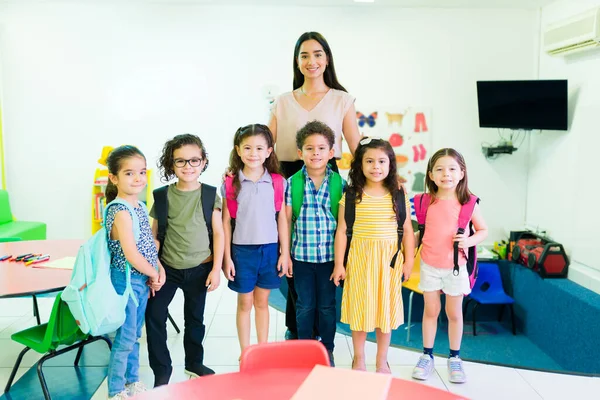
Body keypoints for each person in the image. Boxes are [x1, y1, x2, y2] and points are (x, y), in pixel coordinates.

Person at [269, 31, 361, 340]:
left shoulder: (341, 99)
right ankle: (297, 330)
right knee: (293, 254)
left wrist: (388, 177)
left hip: (327, 178)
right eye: (305, 55)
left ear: (327, 58)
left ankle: (323, 335)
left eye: (318, 54)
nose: (312, 61)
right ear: (297, 61)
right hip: (289, 179)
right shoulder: (282, 102)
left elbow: (357, 147)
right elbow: (265, 145)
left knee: (324, 255)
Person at [331, 137, 415, 374]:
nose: (376, 166)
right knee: (361, 311)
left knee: (384, 313)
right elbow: (342, 231)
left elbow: (407, 230)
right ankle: (359, 358)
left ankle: (381, 360)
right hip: (359, 260)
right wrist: (339, 264)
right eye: (369, 161)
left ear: (390, 165)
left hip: (389, 261)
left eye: (381, 161)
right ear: (359, 164)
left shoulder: (397, 194)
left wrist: (409, 261)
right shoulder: (351, 195)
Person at [145, 134, 224, 386]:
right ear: (171, 164)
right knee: (154, 315)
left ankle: (194, 362)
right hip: (167, 268)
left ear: (203, 162)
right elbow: (155, 236)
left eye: (194, 160)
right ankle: (162, 369)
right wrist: (153, 268)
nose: (188, 166)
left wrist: (216, 269)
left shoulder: (210, 195)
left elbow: (219, 232)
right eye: (180, 161)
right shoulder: (161, 196)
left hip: (200, 267)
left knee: (195, 318)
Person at [411, 148, 488, 384]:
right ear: (431, 175)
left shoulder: (468, 203)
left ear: (462, 173)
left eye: (452, 168)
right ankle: (427, 355)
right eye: (440, 169)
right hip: (429, 266)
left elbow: (483, 231)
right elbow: (418, 234)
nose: (446, 174)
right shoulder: (423, 202)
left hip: (456, 267)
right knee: (431, 311)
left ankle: (454, 358)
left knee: (454, 314)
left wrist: (468, 240)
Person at [221, 124, 291, 356]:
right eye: (248, 148)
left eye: (259, 148)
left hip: (270, 250)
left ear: (269, 151)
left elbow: (282, 218)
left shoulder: (278, 182)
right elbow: (226, 223)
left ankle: (262, 351)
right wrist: (227, 258)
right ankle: (246, 351)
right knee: (245, 303)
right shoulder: (231, 182)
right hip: (242, 252)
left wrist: (284, 253)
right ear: (238, 150)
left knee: (262, 303)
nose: (253, 153)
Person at [104, 145, 162, 400]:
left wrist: (157, 268)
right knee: (125, 338)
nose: (138, 178)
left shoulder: (138, 204)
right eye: (129, 173)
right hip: (126, 281)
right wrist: (154, 273)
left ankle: (132, 380)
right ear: (114, 178)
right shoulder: (119, 211)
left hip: (140, 279)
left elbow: (148, 243)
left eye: (142, 172)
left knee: (135, 334)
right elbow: (131, 253)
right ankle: (116, 389)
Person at [285, 120, 344, 366]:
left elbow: (342, 226)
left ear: (331, 153)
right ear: (300, 153)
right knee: (305, 305)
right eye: (309, 148)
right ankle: (304, 348)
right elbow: (287, 221)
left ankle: (326, 349)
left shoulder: (340, 184)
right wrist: (285, 255)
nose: (316, 153)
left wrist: (341, 263)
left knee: (327, 307)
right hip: (301, 257)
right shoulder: (293, 183)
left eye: (321, 148)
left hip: (330, 259)